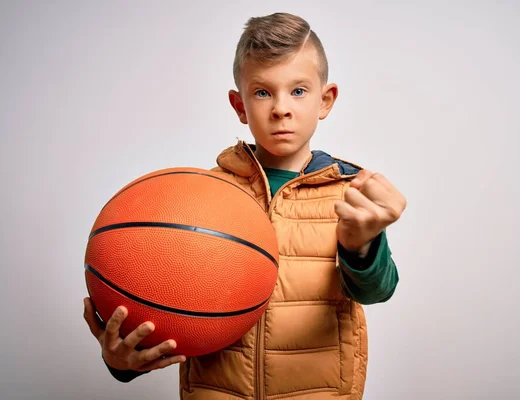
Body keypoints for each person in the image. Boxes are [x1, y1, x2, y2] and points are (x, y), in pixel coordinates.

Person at [83, 12, 406, 400]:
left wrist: (361, 247)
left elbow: (377, 291)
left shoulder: (349, 195)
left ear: (326, 99)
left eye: (299, 91)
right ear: (240, 105)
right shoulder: (199, 198)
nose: (281, 108)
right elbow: (161, 306)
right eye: (263, 92)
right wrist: (121, 363)